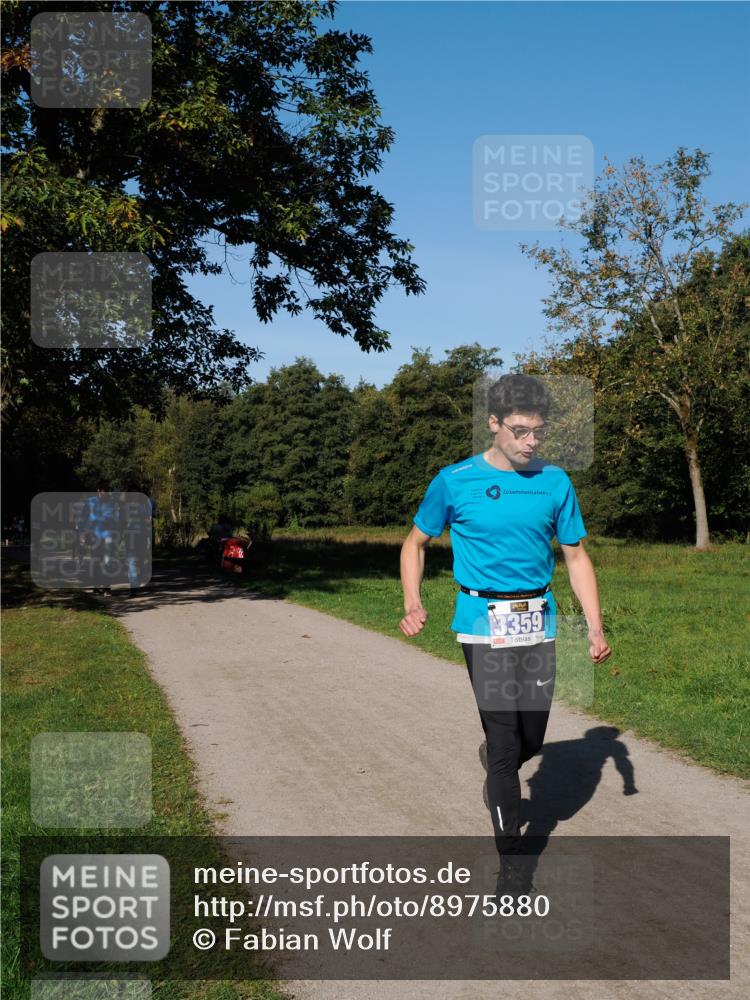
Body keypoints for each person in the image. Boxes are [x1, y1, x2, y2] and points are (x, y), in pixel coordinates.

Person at [399, 373, 611, 896]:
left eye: (537, 431)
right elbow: (415, 543)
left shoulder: (555, 482)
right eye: (519, 430)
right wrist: (413, 601)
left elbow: (577, 556)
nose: (530, 441)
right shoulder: (455, 480)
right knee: (503, 741)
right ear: (492, 424)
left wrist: (595, 625)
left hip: (538, 619)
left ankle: (502, 763)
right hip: (481, 622)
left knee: (531, 737)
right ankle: (513, 862)